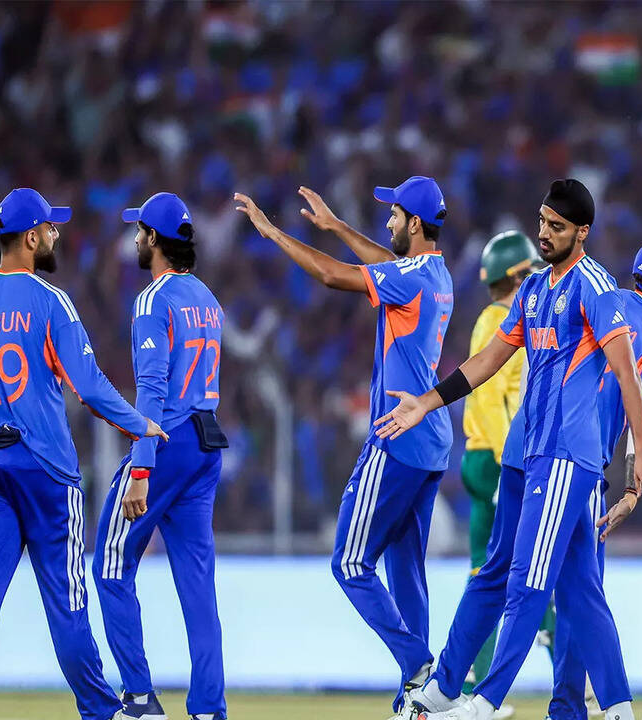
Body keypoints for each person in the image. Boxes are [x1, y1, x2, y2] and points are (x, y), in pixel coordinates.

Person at [376, 178, 642, 720]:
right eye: (542, 222)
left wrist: (641, 453)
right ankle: (613, 706)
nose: (544, 233)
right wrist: (428, 402)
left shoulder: (596, 286)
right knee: (570, 587)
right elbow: (489, 359)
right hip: (527, 453)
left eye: (557, 226)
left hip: (565, 456)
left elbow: (627, 372)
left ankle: (485, 701)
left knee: (527, 581)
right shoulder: (533, 290)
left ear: (582, 232)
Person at [0, 188, 167, 720]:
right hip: (45, 468)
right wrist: (139, 424)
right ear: (31, 238)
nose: (57, 234)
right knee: (67, 601)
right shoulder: (50, 300)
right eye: (51, 228)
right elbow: (88, 385)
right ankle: (101, 711)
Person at [233, 178, 453, 717]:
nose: (388, 221)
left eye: (395, 214)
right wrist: (336, 227)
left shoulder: (410, 276)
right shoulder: (436, 274)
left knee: (351, 562)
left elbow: (333, 275)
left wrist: (273, 233)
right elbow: (386, 262)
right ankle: (418, 702)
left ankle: (422, 669)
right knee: (407, 572)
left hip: (396, 436)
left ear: (415, 224)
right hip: (431, 442)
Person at [549, 237, 642, 720]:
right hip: (582, 467)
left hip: (538, 447)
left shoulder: (604, 298)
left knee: (558, 586)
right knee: (580, 590)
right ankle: (601, 706)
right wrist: (634, 489)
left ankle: (563, 707)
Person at [93, 193, 229, 720]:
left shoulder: (153, 300)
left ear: (154, 239)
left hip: (166, 442)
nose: (134, 239)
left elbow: (151, 390)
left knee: (110, 562)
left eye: (139, 231)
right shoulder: (207, 298)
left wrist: (142, 467)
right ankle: (209, 708)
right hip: (206, 441)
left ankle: (138, 698)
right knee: (198, 583)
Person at [461, 230, 544, 713]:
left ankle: (475, 677)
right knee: (528, 566)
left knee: (486, 569)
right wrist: (507, 462)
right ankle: (572, 674)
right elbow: (490, 398)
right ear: (518, 276)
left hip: (481, 456)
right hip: (498, 460)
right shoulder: (502, 322)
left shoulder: (490, 319)